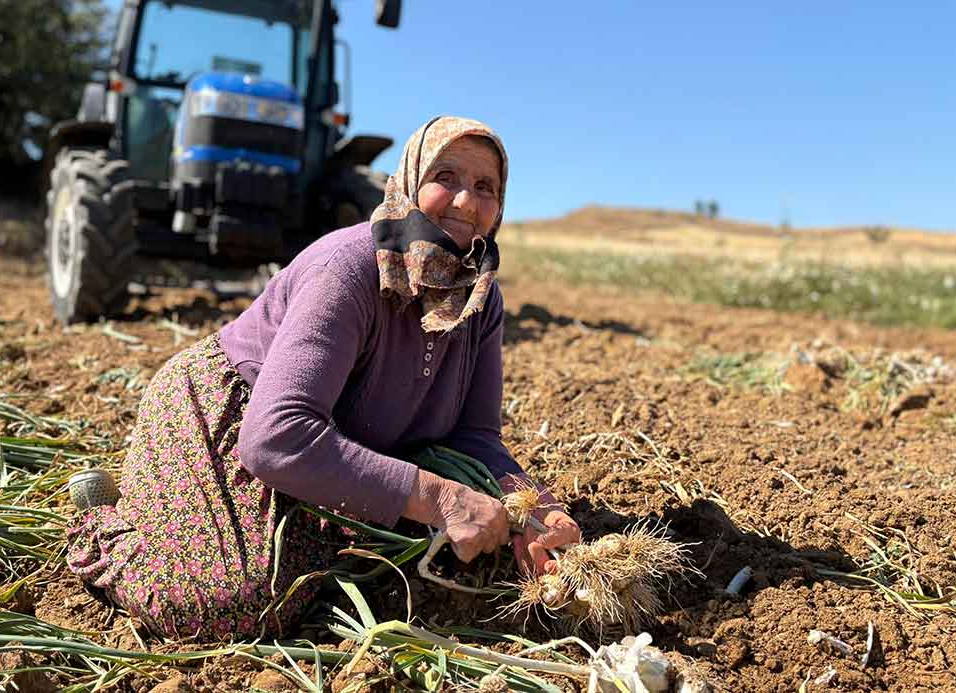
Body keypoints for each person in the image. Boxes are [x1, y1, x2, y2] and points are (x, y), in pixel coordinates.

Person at [66, 116, 582, 641]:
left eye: (485, 188)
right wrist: (444, 499)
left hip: (330, 442)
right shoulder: (352, 268)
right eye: (445, 177)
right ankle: (104, 523)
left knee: (359, 569)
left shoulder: (479, 294)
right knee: (237, 601)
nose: (467, 203)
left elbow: (475, 439)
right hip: (231, 413)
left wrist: (533, 505)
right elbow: (275, 435)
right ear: (408, 181)